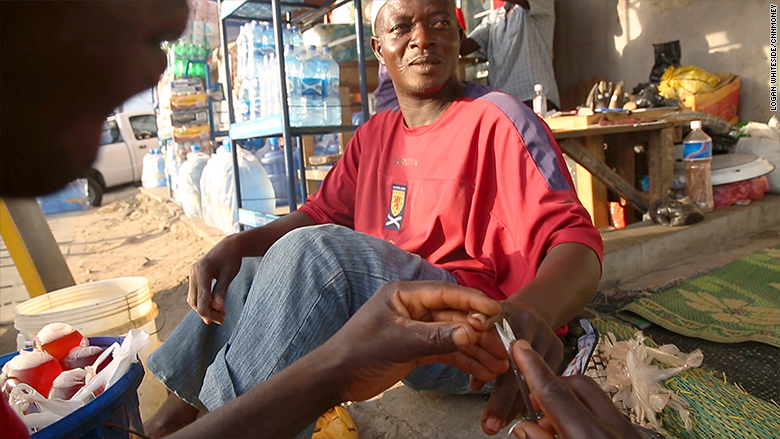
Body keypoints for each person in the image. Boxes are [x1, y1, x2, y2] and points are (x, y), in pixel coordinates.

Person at [0, 1, 644, 438]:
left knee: (318, 257)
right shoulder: (374, 137)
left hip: (475, 337)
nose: (423, 39)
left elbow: (578, 243)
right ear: (380, 47)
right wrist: (238, 241)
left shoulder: (498, 119)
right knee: (259, 263)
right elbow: (314, 212)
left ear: (459, 34)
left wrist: (527, 310)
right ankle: (171, 422)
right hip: (384, 328)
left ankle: (213, 425)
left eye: (438, 23)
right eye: (403, 28)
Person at [460, 0, 560, 111]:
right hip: (503, 104)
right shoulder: (494, 18)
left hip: (535, 99)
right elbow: (463, 48)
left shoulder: (540, 3)